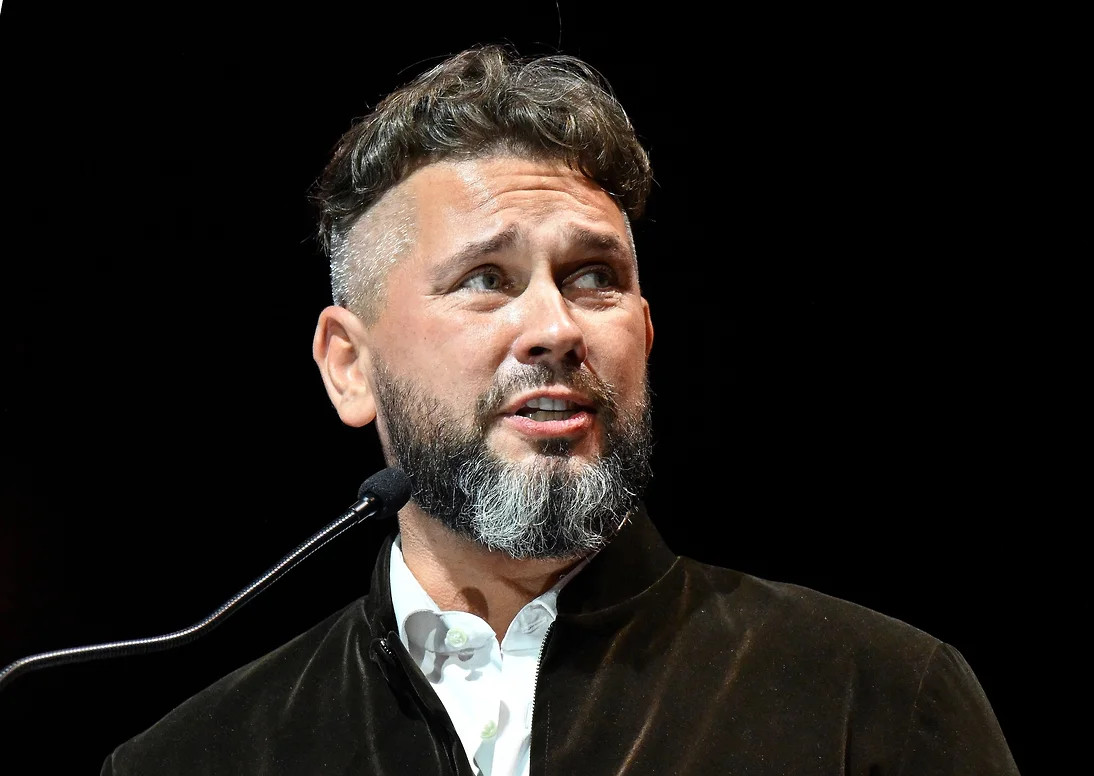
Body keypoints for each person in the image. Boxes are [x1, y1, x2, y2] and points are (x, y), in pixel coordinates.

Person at [101, 44, 1019, 775]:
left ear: (645, 337)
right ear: (351, 367)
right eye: (485, 279)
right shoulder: (196, 757)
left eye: (593, 277)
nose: (554, 327)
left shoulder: (876, 698)